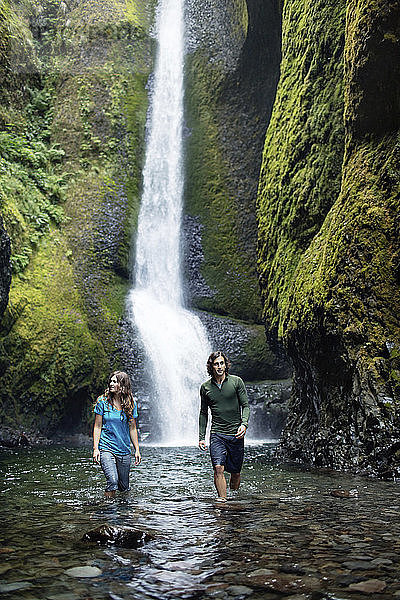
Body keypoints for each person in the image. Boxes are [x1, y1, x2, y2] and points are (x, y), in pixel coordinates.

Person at [199, 351, 250, 502]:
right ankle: (223, 501)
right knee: (218, 468)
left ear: (226, 365)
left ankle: (234, 497)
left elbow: (245, 406)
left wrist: (244, 424)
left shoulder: (236, 382)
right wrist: (201, 437)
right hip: (217, 434)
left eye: (221, 363)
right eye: (216, 364)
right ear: (211, 366)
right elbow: (203, 413)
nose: (219, 366)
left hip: (235, 434)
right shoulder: (205, 388)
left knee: (235, 472)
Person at [93, 371, 141, 498]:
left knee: (124, 487)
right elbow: (97, 426)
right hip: (106, 447)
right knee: (112, 481)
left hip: (124, 449)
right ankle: (108, 509)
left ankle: (123, 513)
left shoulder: (130, 403)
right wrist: (96, 449)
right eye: (111, 381)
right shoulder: (102, 401)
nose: (111, 384)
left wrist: (137, 449)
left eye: (115, 381)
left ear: (123, 385)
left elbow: (132, 427)